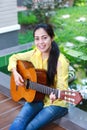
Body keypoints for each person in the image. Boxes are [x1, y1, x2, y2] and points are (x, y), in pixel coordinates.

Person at [8, 23, 69, 130]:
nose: (40, 42)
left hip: (56, 103)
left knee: (30, 127)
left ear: (52, 38)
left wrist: (56, 95)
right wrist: (15, 73)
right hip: (37, 96)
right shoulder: (34, 54)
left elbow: (62, 88)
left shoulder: (61, 61)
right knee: (19, 120)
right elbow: (13, 57)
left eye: (44, 38)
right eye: (37, 39)